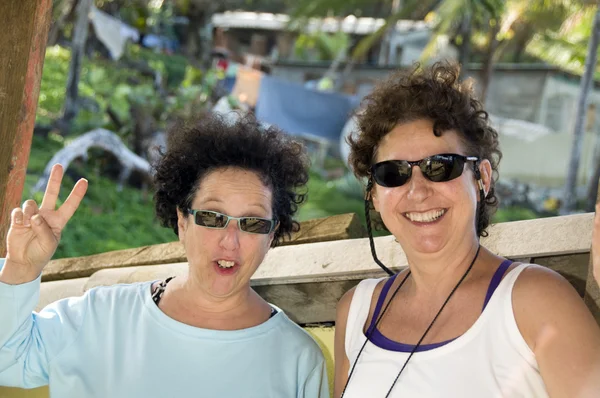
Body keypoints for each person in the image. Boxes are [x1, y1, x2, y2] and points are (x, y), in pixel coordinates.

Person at [0, 114, 329, 397]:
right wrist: (20, 270)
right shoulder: (100, 317)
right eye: (212, 217)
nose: (231, 240)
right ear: (182, 221)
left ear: (272, 234)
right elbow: (7, 360)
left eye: (252, 222)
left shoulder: (298, 360)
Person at [333, 62, 600, 398]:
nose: (417, 191)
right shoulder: (356, 310)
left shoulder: (535, 300)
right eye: (393, 173)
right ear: (373, 194)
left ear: (482, 179)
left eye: (441, 167)